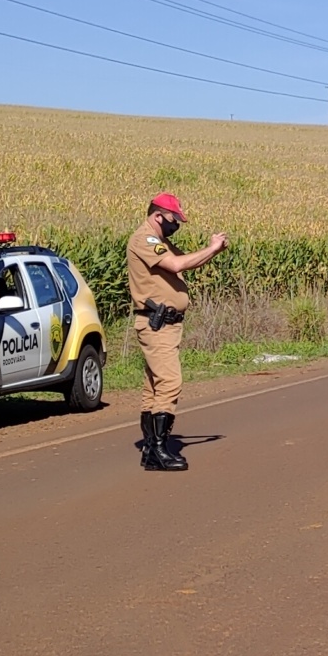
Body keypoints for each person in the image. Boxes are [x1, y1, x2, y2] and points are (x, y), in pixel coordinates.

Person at [126, 192, 227, 471]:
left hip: (166, 324)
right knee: (170, 383)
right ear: (158, 215)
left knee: (154, 389)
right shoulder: (144, 239)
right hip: (156, 323)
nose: (177, 225)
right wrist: (212, 248)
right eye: (174, 219)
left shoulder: (161, 242)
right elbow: (177, 264)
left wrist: (212, 251)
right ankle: (159, 449)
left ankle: (150, 450)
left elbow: (189, 262)